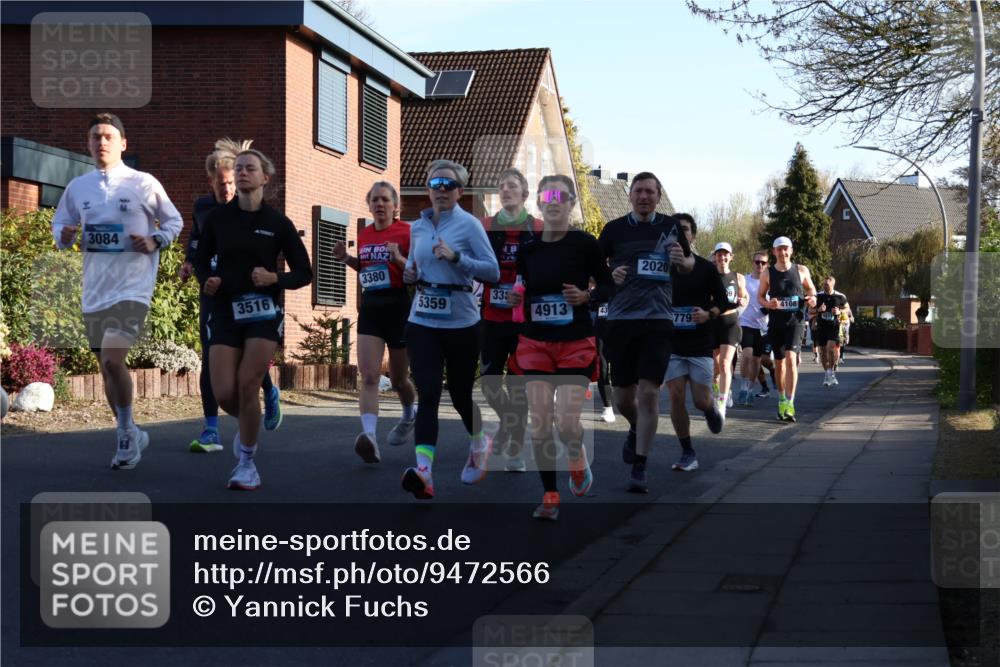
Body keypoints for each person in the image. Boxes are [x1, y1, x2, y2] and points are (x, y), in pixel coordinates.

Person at [52, 113, 183, 469]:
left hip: (133, 287)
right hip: (94, 290)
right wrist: (63, 236)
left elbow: (174, 221)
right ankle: (131, 430)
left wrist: (156, 239)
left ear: (123, 143)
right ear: (88, 144)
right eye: (95, 137)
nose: (102, 142)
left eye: (109, 136)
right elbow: (61, 222)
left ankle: (125, 433)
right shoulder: (78, 187)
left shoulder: (143, 183)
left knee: (112, 358)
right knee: (107, 369)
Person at [194, 148, 312, 490]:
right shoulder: (217, 219)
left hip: (262, 312)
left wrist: (275, 279)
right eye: (239, 168)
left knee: (248, 383)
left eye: (250, 168)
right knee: (225, 393)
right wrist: (207, 280)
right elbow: (201, 260)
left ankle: (247, 463)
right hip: (225, 311)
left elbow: (305, 272)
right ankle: (249, 422)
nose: (243, 172)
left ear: (265, 178)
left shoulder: (278, 223)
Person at [507, 175, 614, 519]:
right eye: (547, 196)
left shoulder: (585, 244)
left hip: (575, 341)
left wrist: (588, 296)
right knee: (540, 420)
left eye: (560, 196)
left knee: (567, 422)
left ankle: (577, 458)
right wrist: (516, 296)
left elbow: (609, 285)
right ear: (539, 203)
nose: (553, 202)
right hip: (535, 341)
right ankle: (550, 495)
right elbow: (525, 286)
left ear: (570, 204)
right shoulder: (529, 249)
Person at [400, 160, 500, 500]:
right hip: (422, 320)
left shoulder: (470, 226)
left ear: (460, 191)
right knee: (427, 392)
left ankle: (478, 441)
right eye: (435, 183)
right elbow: (413, 267)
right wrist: (409, 275)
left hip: (461, 322)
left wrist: (458, 258)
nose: (441, 189)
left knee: (458, 394)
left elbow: (493, 272)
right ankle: (424, 473)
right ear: (428, 189)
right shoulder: (417, 228)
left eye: (449, 184)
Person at [179, 138, 282, 453]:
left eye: (231, 184)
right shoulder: (202, 208)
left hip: (244, 293)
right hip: (213, 292)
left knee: (246, 358)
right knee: (211, 355)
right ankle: (211, 429)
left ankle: (268, 389)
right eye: (221, 184)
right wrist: (188, 262)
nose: (227, 190)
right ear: (211, 182)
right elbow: (197, 239)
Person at [597, 172, 693, 492]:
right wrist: (612, 274)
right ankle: (636, 426)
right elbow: (596, 272)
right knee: (623, 397)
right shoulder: (613, 229)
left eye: (649, 192)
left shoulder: (671, 227)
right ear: (630, 195)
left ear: (658, 195)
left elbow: (688, 264)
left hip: (657, 321)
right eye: (638, 191)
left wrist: (683, 260)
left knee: (649, 392)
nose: (643, 197)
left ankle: (640, 467)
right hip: (621, 321)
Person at [332, 182, 417, 463]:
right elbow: (365, 267)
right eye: (375, 200)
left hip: (398, 306)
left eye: (385, 200)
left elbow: (417, 272)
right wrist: (346, 258)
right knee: (368, 375)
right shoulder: (365, 233)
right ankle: (369, 437)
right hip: (371, 306)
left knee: (399, 379)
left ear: (395, 207)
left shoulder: (407, 232)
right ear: (369, 206)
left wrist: (399, 258)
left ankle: (408, 414)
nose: (379, 204)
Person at [478, 168, 541, 472]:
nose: (506, 191)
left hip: (524, 321)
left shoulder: (538, 228)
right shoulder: (486, 226)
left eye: (512, 186)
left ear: (525, 194)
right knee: (489, 383)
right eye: (502, 187)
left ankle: (515, 448)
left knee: (518, 387)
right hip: (492, 316)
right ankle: (508, 422)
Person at [663, 214, 728, 485]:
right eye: (674, 231)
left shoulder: (705, 268)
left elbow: (724, 302)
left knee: (700, 400)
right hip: (673, 344)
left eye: (685, 230)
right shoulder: (662, 268)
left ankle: (712, 409)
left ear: (692, 236)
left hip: (700, 342)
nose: (680, 235)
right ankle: (687, 451)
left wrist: (708, 314)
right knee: (676, 396)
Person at [757, 236, 818, 422]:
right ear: (774, 252)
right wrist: (769, 304)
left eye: (786, 249)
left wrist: (812, 300)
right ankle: (782, 399)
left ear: (791, 251)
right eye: (779, 249)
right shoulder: (767, 273)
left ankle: (790, 404)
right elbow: (760, 297)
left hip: (796, 322)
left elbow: (812, 291)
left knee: (792, 359)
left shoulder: (801, 270)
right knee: (780, 364)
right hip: (776, 323)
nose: (783, 253)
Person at [710, 242, 748, 416]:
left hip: (731, 323)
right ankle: (722, 390)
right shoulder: (708, 276)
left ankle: (721, 403)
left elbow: (745, 297)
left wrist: (741, 303)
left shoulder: (738, 277)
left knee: (725, 364)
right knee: (715, 368)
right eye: (719, 254)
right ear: (715, 256)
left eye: (726, 254)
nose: (722, 257)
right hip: (713, 324)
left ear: (731, 257)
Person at [736, 250, 770, 407]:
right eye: (757, 262)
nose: (760, 265)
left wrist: (769, 308)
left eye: (763, 263)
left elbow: (776, 300)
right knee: (747, 355)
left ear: (767, 264)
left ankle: (749, 389)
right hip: (746, 322)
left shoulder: (770, 283)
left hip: (762, 326)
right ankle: (743, 388)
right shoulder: (746, 280)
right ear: (753, 263)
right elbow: (738, 295)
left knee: (757, 361)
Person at [813, 276, 850, 386]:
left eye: (827, 285)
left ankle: (832, 372)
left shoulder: (840, 296)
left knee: (831, 349)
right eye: (824, 284)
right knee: (823, 351)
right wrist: (818, 310)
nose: (825, 286)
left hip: (833, 327)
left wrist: (839, 311)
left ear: (833, 285)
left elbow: (847, 308)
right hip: (821, 327)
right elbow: (810, 309)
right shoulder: (818, 295)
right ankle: (828, 374)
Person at [589, 285, 615, 423]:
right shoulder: (599, 286)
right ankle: (608, 407)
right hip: (601, 331)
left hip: (621, 329)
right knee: (602, 368)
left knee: (620, 371)